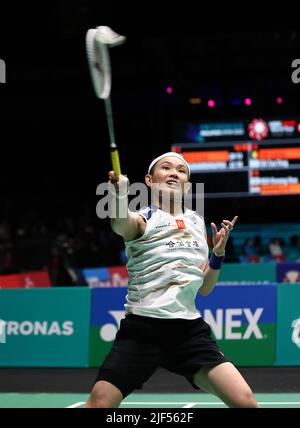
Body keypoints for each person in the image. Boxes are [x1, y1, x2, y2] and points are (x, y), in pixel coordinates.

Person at [86, 152, 258, 408]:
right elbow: (121, 224)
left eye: (181, 170)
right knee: (100, 404)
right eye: (166, 168)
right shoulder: (144, 218)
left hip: (188, 332)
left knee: (245, 401)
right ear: (149, 179)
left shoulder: (196, 222)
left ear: (187, 184)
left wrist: (218, 255)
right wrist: (119, 194)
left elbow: (206, 288)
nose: (174, 173)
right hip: (143, 329)